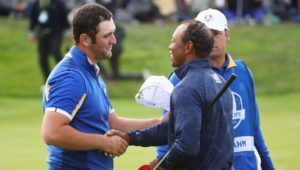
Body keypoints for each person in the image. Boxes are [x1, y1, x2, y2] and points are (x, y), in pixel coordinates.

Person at [41, 3, 162, 170]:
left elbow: (113, 123)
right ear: (85, 39)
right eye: (107, 35)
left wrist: (161, 123)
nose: (114, 40)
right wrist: (102, 142)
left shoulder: (89, 71)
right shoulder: (71, 76)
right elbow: (52, 133)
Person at [157, 8, 275, 170]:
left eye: (215, 33)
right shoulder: (180, 77)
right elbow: (168, 131)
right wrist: (161, 161)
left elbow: (253, 126)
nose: (211, 39)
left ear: (227, 34)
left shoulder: (242, 71)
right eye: (206, 34)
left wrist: (268, 165)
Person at [108, 19, 234, 169]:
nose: (170, 46)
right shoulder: (219, 81)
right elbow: (173, 129)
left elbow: (187, 146)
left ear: (188, 47)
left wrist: (162, 165)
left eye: (174, 41)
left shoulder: (187, 88)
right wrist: (131, 137)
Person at [28, 0, 70, 83]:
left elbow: (64, 17)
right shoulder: (37, 4)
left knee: (55, 52)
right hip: (42, 33)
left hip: (56, 32)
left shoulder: (58, 3)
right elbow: (32, 19)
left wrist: (68, 31)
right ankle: (48, 81)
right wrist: (31, 33)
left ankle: (66, 74)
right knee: (42, 58)